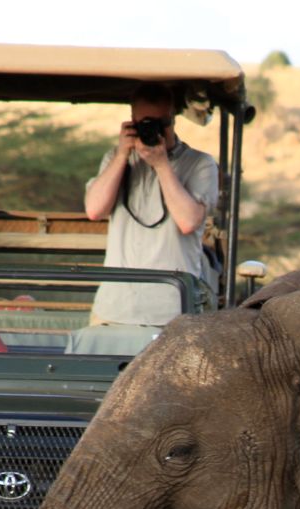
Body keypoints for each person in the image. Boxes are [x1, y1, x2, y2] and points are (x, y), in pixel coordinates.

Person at [83, 84, 219, 327]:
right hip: (115, 308)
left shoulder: (200, 164)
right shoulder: (116, 159)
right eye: (146, 122)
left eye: (161, 123)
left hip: (171, 313)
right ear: (132, 121)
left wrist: (162, 165)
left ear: (174, 120)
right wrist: (122, 155)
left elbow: (188, 222)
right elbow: (94, 210)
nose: (154, 130)